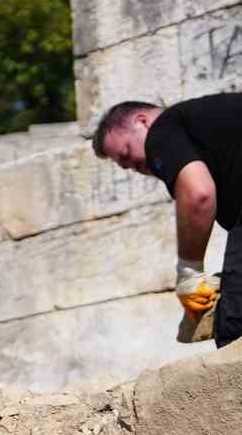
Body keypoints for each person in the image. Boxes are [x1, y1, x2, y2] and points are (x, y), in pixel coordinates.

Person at [93, 94, 242, 345]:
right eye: (126, 166)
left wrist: (189, 272)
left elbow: (199, 195)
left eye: (128, 153)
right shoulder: (210, 128)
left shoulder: (163, 129)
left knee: (234, 325)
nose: (136, 167)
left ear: (142, 122)